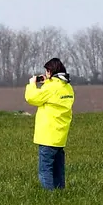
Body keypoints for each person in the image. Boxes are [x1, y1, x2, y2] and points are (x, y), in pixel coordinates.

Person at [25, 57, 75, 190]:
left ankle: (49, 197)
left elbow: (31, 98)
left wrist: (32, 84)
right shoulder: (68, 87)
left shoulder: (51, 87)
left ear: (50, 71)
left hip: (48, 136)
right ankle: (60, 192)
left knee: (45, 170)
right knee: (58, 170)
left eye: (47, 71)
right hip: (60, 136)